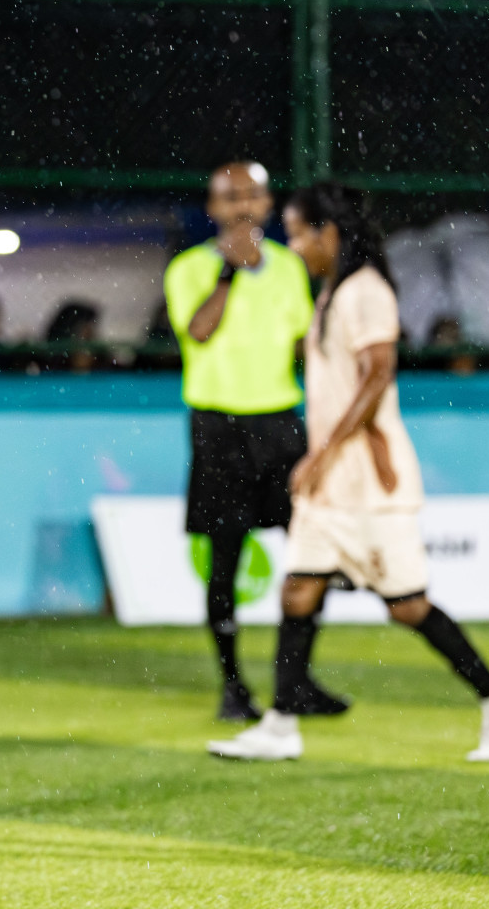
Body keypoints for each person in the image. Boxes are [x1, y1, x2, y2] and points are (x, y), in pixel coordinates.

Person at [209, 183, 489, 762]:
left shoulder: (367, 291)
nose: (294, 246)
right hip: (331, 479)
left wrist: (322, 453)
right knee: (299, 589)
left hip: (367, 480)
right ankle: (280, 726)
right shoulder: (333, 292)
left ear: (328, 233)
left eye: (299, 234)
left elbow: (378, 374)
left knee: (407, 605)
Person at [164, 162, 313, 721]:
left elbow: (302, 345)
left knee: (311, 554)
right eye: (231, 197)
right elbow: (199, 331)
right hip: (220, 427)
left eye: (253, 195)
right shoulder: (188, 269)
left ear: (269, 204)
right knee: (224, 559)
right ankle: (233, 687)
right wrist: (229, 271)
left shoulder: (290, 268)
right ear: (212, 209)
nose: (243, 206)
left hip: (281, 423)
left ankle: (295, 681)